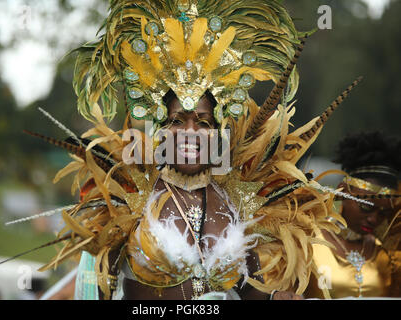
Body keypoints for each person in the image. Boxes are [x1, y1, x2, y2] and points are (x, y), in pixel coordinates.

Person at [20, 0, 367, 300]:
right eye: (178, 121)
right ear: (160, 128)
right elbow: (90, 286)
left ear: (217, 133)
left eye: (202, 122)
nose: (189, 132)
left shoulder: (238, 201)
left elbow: (248, 291)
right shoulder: (127, 199)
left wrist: (276, 295)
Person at [304, 131, 401, 299]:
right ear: (342, 191)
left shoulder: (389, 255)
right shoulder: (305, 243)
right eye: (366, 207)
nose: (373, 219)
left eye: (383, 213)